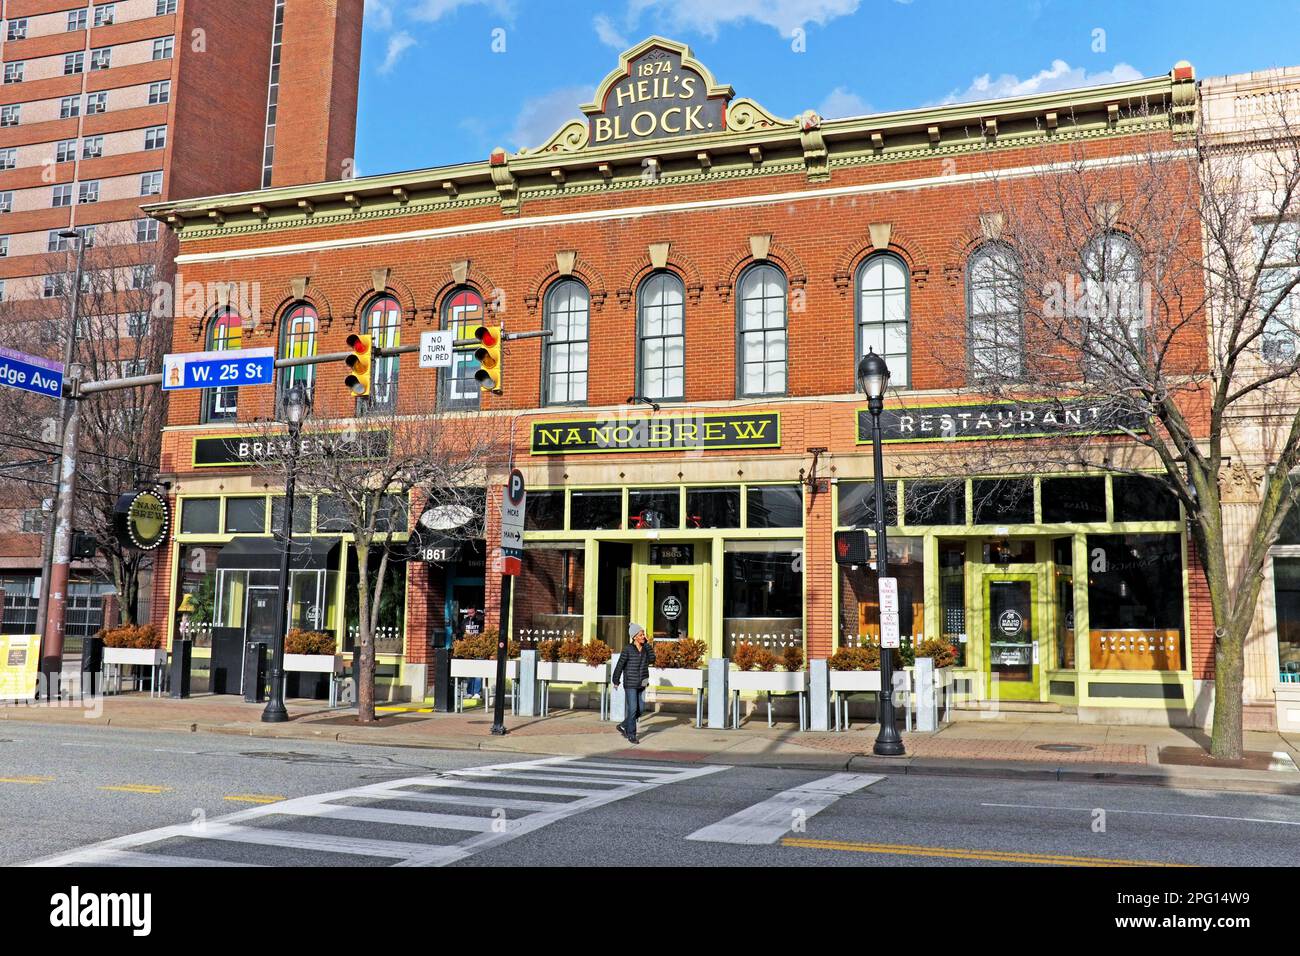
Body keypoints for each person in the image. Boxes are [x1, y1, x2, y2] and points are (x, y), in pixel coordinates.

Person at [612, 622, 654, 743]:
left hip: (642, 682)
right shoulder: (628, 649)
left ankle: (623, 725)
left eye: (643, 634)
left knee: (640, 710)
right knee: (633, 709)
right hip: (630, 683)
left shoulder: (645, 648)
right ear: (634, 637)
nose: (643, 636)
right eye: (641, 635)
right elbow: (620, 665)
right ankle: (631, 734)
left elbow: (652, 659)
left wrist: (648, 645)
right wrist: (616, 680)